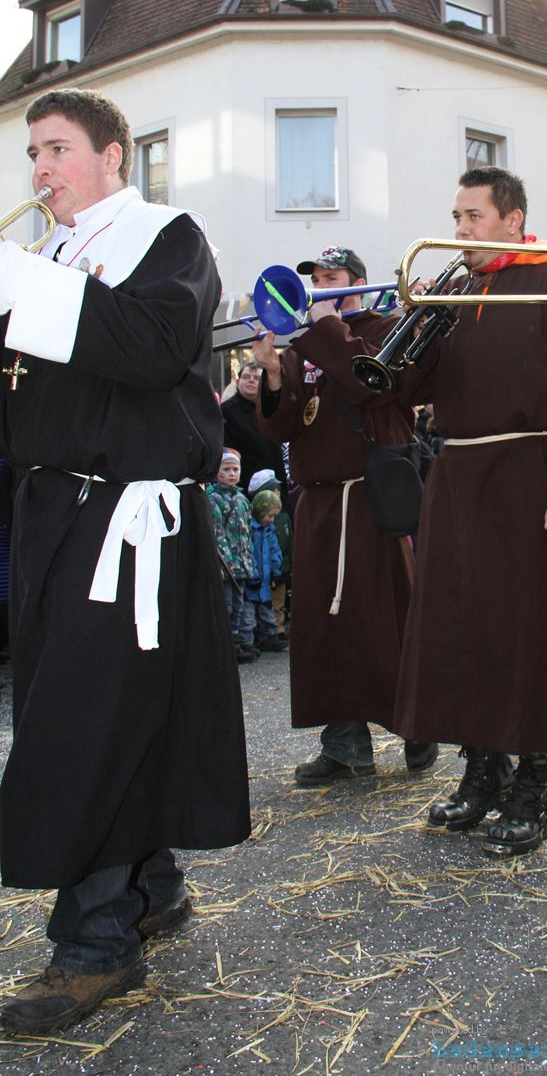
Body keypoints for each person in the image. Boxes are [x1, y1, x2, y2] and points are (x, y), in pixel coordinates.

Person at [0, 88, 250, 1035]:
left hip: (124, 521)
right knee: (116, 708)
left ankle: (95, 944)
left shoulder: (167, 235)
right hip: (55, 508)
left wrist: (19, 288)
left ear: (113, 156)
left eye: (57, 150)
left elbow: (148, 350)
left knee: (84, 720)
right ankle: (152, 884)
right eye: (32, 154)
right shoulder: (51, 255)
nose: (39, 173)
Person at [393, 166, 547, 856]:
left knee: (534, 635)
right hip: (460, 479)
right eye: (456, 215)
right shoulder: (458, 291)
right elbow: (407, 386)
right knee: (464, 633)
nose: (457, 229)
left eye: (471, 217)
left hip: (535, 478)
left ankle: (532, 795)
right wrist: (418, 321)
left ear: (513, 219)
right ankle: (480, 779)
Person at [253, 246, 437, 784]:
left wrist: (322, 328)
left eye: (329, 278)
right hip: (319, 501)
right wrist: (271, 374)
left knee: (387, 615)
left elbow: (367, 381)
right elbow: (282, 428)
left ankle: (416, 726)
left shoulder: (388, 329)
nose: (317, 286)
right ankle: (344, 744)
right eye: (313, 279)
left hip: (373, 496)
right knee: (322, 626)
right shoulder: (302, 345)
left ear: (355, 283)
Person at [206, 448, 256, 661]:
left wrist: (249, 561)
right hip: (227, 566)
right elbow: (217, 534)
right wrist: (226, 562)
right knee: (225, 605)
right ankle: (223, 644)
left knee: (239, 605)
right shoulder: (214, 499)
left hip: (242, 565)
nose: (232, 473)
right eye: (226, 469)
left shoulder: (242, 499)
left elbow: (247, 533)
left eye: (235, 469)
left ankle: (236, 640)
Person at [221, 362, 286, 494]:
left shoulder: (271, 407)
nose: (250, 380)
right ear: (238, 382)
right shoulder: (226, 411)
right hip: (244, 488)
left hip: (274, 485)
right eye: (246, 377)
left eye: (256, 378)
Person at [243, 489, 287, 652]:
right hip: (253, 580)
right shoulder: (250, 530)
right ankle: (247, 641)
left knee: (267, 612)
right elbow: (249, 552)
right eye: (269, 516)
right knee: (247, 615)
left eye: (274, 516)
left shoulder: (270, 530)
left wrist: (277, 570)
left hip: (266, 580)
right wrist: (252, 573)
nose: (272, 519)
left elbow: (275, 551)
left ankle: (269, 637)